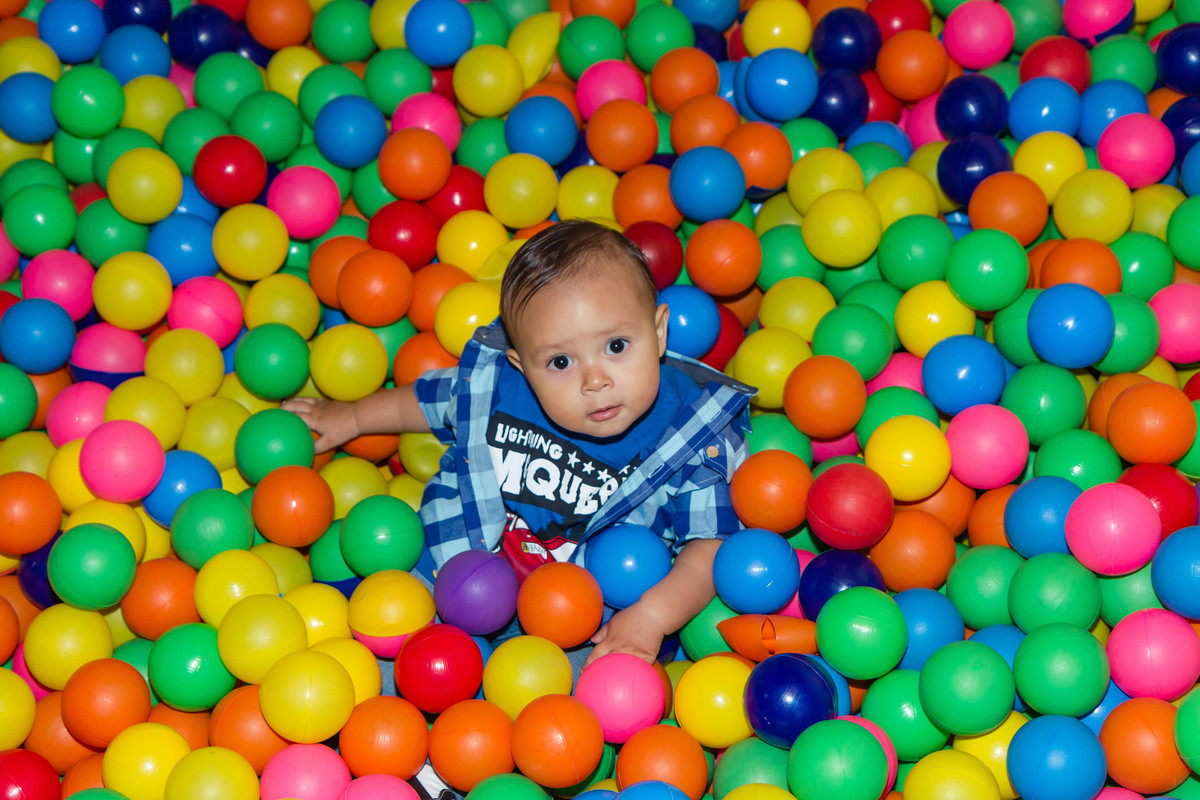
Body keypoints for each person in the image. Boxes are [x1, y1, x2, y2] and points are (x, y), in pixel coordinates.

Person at [283, 219, 756, 668]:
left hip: (582, 616)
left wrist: (652, 617)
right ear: (521, 365)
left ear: (657, 333)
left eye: (615, 346)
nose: (595, 380)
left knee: (582, 687)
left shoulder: (693, 432)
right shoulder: (497, 390)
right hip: (453, 570)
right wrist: (351, 417)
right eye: (560, 362)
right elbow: (427, 401)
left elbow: (710, 544)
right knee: (387, 636)